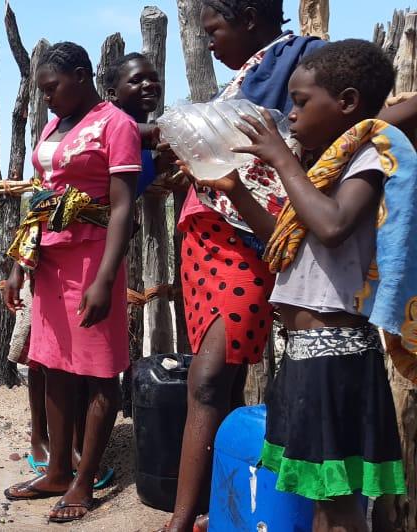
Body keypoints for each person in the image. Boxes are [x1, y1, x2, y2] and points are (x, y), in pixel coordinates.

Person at [193, 39, 408, 531]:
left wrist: (279, 159)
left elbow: (331, 226)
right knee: (316, 498)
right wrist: (238, 191)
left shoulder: (368, 160)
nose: (290, 114)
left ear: (348, 103)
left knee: (337, 504)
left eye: (302, 101)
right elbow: (284, 249)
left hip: (336, 358)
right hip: (307, 356)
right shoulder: (322, 170)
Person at [160, 2, 325, 528]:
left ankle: (181, 520)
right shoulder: (246, 78)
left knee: (207, 377)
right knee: (222, 381)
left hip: (247, 239)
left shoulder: (304, 61)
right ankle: (218, 506)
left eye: (215, 30)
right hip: (203, 237)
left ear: (250, 18)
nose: (209, 41)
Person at [0, 41, 138, 523]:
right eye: (41, 92)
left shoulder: (115, 125)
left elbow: (122, 207)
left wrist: (105, 279)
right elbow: (42, 200)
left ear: (82, 76)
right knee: (52, 364)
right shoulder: (52, 126)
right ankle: (58, 469)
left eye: (53, 88)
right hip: (51, 263)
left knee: (100, 371)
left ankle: (84, 482)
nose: (47, 99)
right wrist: (19, 264)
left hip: (93, 262)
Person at [102, 52, 164, 197]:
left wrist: (159, 165)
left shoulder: (146, 142)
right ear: (113, 94)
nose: (149, 84)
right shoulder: (104, 128)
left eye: (154, 78)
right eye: (136, 80)